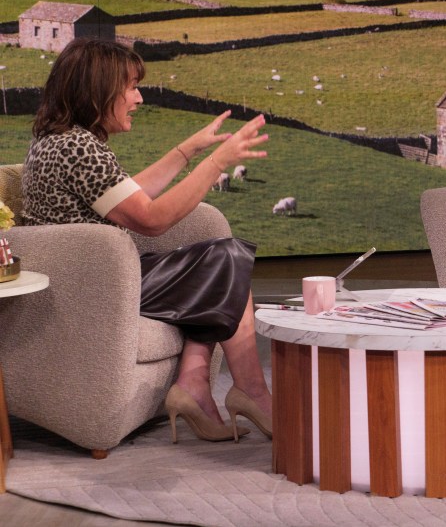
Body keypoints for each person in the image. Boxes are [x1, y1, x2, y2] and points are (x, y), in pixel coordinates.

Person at [20, 37, 272, 444]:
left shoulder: (58, 139)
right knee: (226, 259)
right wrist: (217, 164)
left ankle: (194, 386)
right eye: (131, 87)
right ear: (99, 89)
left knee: (219, 265)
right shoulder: (79, 147)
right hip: (95, 289)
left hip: (89, 280)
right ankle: (248, 391)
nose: (138, 98)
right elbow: (150, 220)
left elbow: (128, 194)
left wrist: (188, 150)